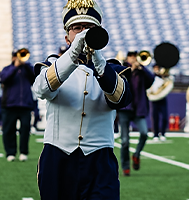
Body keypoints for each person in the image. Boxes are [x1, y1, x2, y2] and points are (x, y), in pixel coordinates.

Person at [32, 0, 131, 198]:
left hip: (99, 160)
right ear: (67, 36)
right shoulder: (52, 65)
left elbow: (121, 99)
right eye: (77, 28)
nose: (83, 33)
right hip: (58, 157)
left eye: (89, 28)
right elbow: (41, 90)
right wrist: (72, 55)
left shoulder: (113, 69)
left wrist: (100, 63)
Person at [117, 51, 154, 176]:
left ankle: (136, 155)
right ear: (127, 58)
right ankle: (126, 166)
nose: (133, 58)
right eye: (131, 56)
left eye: (135, 56)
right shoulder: (122, 69)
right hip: (125, 109)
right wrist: (128, 70)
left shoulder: (141, 71)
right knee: (125, 141)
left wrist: (142, 68)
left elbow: (151, 80)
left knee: (144, 133)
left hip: (139, 109)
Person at [0, 49, 36, 162]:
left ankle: (23, 152)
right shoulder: (7, 69)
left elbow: (34, 78)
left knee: (25, 129)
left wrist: (25, 65)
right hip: (9, 105)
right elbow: (4, 79)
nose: (18, 58)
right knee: (9, 129)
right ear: (12, 58)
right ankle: (10, 152)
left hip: (25, 104)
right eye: (16, 56)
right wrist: (15, 67)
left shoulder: (27, 68)